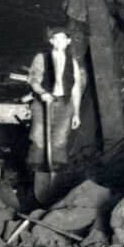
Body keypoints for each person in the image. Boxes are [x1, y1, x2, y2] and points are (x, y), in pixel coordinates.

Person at [27, 23, 88, 179]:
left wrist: (76, 113)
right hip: (42, 104)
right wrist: (42, 93)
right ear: (51, 41)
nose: (59, 41)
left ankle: (56, 177)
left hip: (65, 104)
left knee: (60, 141)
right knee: (38, 139)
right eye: (56, 38)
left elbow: (75, 89)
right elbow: (34, 80)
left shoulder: (72, 62)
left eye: (63, 38)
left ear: (68, 42)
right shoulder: (41, 58)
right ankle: (35, 177)